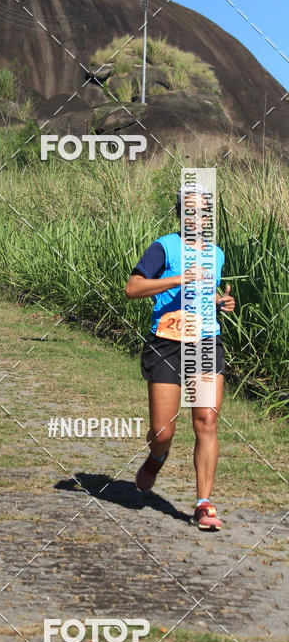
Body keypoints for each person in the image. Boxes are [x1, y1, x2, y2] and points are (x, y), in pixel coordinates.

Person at [125, 184, 235, 531]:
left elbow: (204, 292)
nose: (197, 217)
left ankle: (203, 504)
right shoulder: (164, 247)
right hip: (167, 343)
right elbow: (133, 288)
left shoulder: (216, 254)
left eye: (203, 211)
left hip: (204, 342)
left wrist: (220, 302)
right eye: (190, 210)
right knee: (162, 431)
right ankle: (157, 456)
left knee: (206, 421)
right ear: (180, 213)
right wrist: (176, 278)